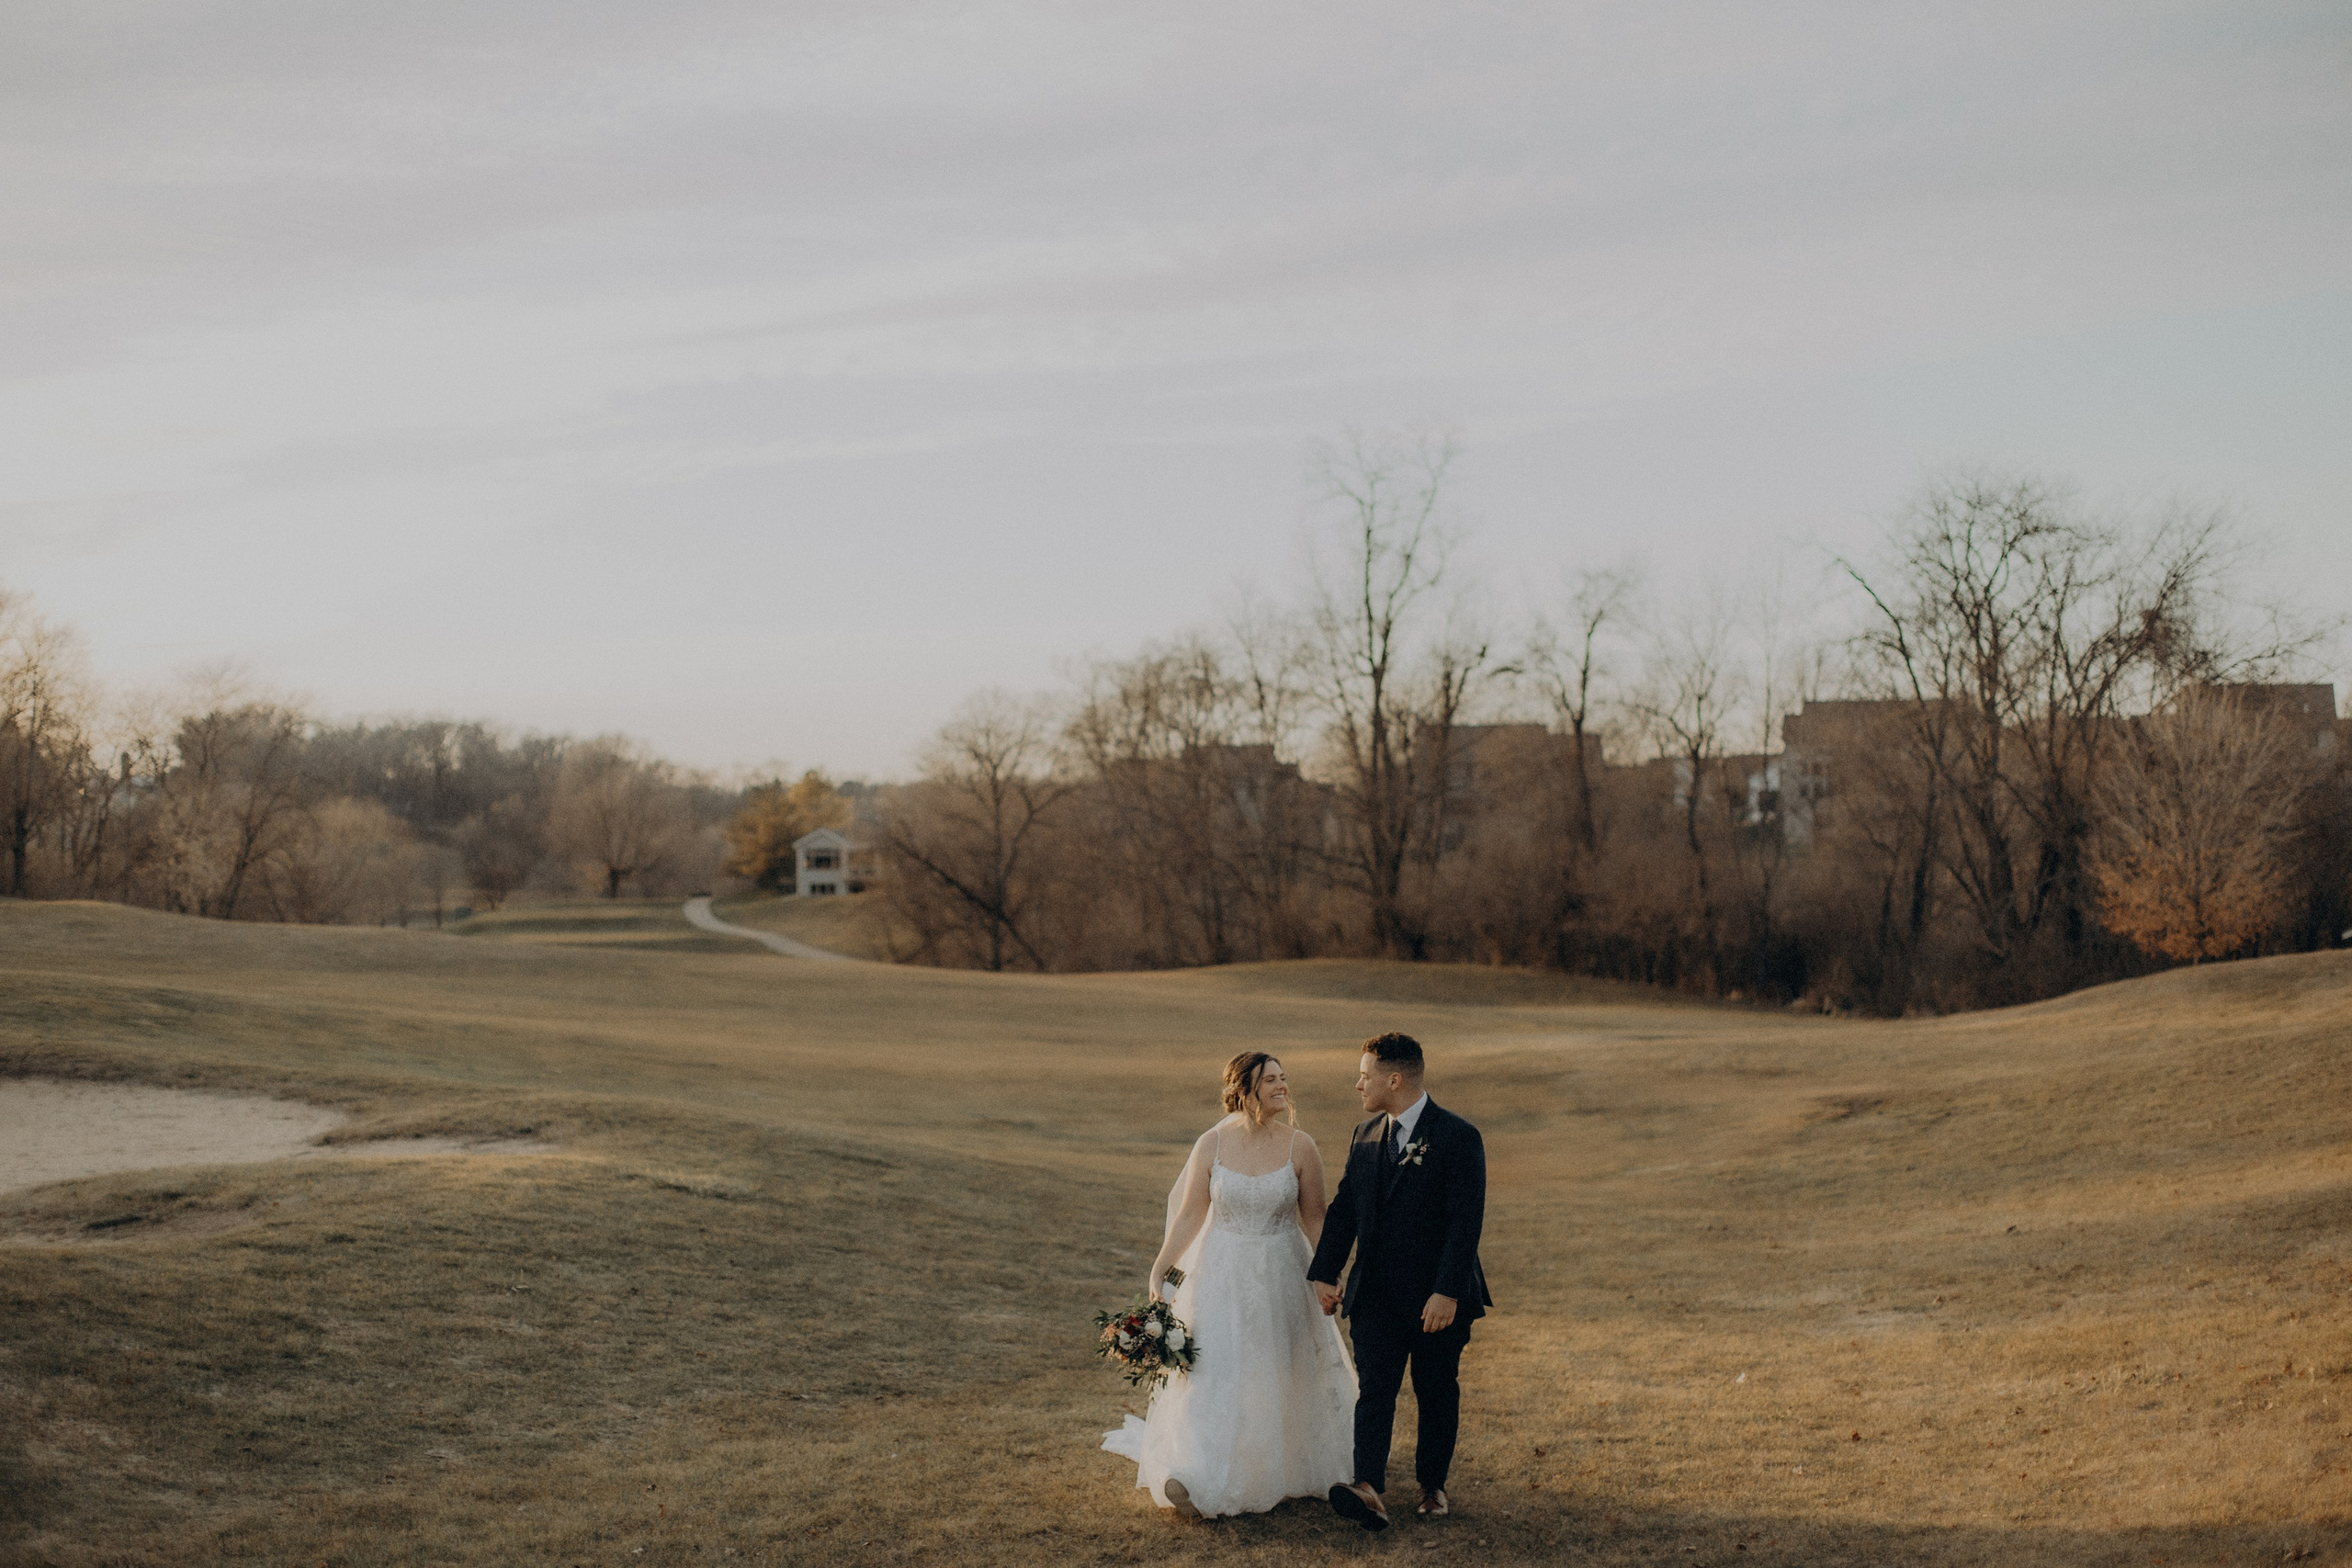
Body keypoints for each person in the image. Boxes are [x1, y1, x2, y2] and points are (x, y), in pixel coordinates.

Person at [1101, 1052, 1357, 1518]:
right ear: (1245, 1089)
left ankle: (1281, 1463)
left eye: (1284, 1078)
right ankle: (1199, 1474)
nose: (1282, 1086)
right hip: (1221, 1272)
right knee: (1218, 1372)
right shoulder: (1212, 1144)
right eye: (1271, 1080)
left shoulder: (1301, 1145)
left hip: (1284, 1269)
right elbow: (1191, 1214)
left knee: (1281, 1367)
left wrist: (1327, 1274)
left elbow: (1316, 1217)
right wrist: (1161, 1267)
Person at [1308, 1032, 1491, 1531]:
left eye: (1365, 1076)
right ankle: (1367, 1486)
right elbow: (1345, 1211)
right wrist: (1325, 1271)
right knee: (1375, 1391)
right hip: (1377, 1297)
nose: (1358, 1085)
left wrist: (1447, 1290)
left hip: (1438, 1298)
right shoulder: (1365, 1135)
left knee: (1436, 1391)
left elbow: (1465, 1220)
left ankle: (1433, 1487)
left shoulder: (1457, 1136)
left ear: (1395, 1078)